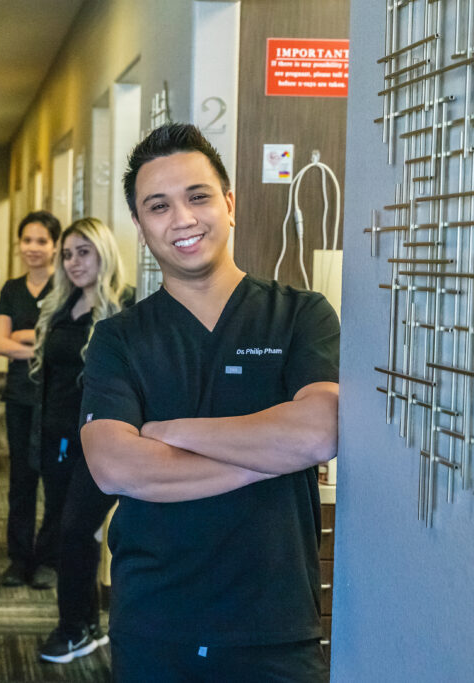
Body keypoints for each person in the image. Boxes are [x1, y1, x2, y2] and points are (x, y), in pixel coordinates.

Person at [80, 123, 339, 681]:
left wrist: (170, 432)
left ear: (229, 203)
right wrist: (270, 454)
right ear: (141, 226)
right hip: (157, 621)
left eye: (198, 197)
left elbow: (317, 433)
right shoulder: (119, 339)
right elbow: (115, 466)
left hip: (274, 623)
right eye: (158, 206)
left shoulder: (300, 316)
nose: (183, 219)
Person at [29, 217, 134, 663]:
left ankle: (72, 629)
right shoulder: (60, 305)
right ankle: (88, 624)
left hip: (99, 444)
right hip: (57, 439)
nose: (73, 262)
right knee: (68, 531)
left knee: (75, 530)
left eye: (83, 252)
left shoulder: (123, 308)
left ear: (103, 253)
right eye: (67, 254)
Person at [0, 211, 61, 589]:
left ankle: (48, 558)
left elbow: (65, 347)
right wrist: (40, 343)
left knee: (54, 480)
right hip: (19, 397)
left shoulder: (66, 288)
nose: (33, 248)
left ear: (54, 246)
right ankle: (18, 559)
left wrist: (25, 337)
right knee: (21, 480)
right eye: (27, 240)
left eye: (41, 241)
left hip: (57, 399)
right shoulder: (11, 289)